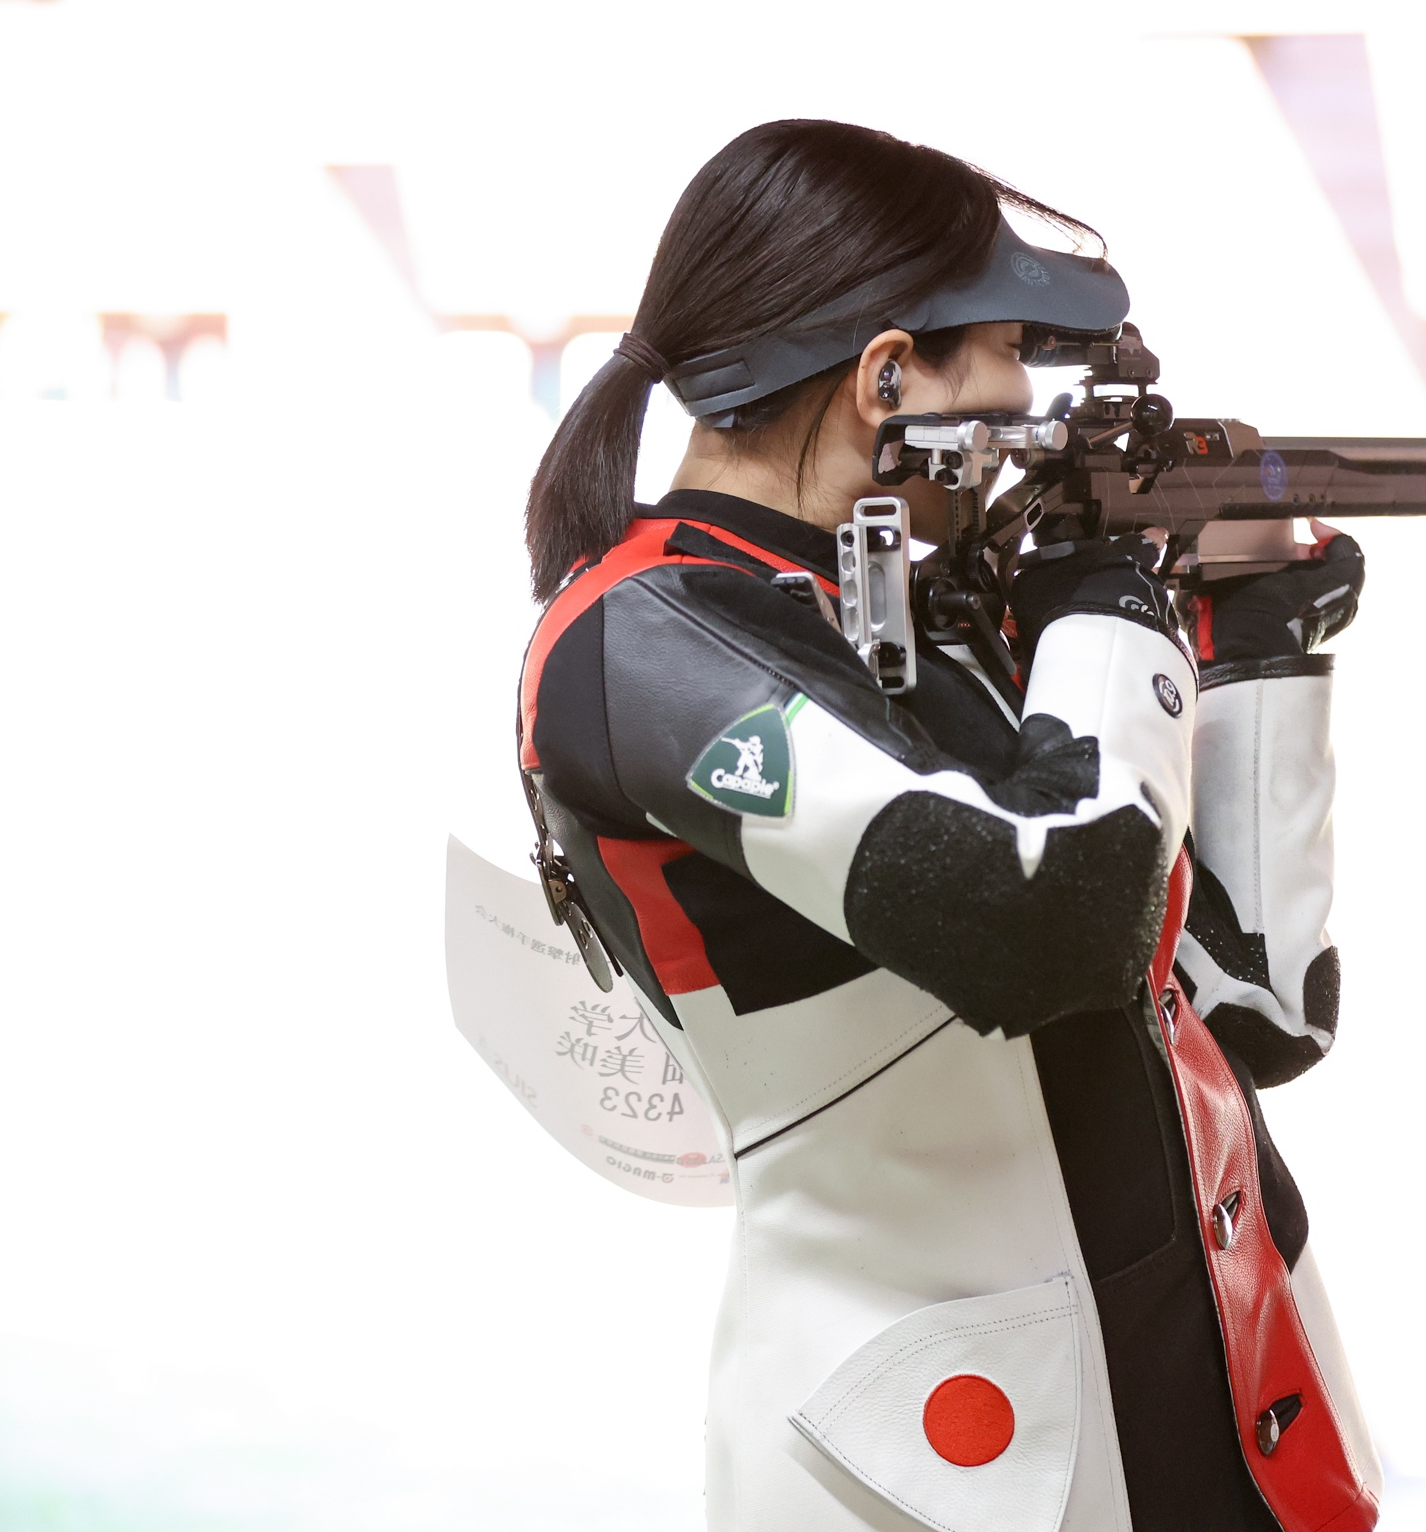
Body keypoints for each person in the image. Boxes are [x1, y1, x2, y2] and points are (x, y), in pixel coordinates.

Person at [519, 120, 1378, 1532]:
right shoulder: (644, 639)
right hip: (938, 1463)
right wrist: (1112, 610)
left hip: (1210, 1399)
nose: (1029, 403)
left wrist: (1259, 656)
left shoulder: (926, 614)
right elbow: (1048, 922)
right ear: (889, 377)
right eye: (1009, 354)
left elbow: (1254, 1013)